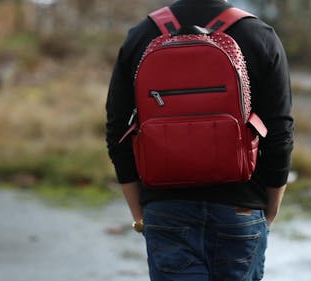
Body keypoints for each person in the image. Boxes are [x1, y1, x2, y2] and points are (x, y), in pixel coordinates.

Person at [105, 0, 294, 280]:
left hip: (165, 209)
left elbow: (117, 132)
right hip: (241, 208)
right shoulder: (259, 35)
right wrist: (269, 208)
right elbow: (279, 133)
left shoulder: (143, 35)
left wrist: (140, 213)